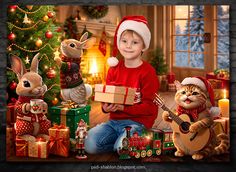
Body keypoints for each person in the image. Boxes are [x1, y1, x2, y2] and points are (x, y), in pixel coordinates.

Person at [85, 16, 159, 154]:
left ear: (143, 46)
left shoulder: (148, 72)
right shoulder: (113, 69)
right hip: (114, 123)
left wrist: (124, 108)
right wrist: (106, 108)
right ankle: (121, 143)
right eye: (124, 41)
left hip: (138, 123)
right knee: (89, 144)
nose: (128, 46)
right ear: (118, 43)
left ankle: (133, 141)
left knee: (122, 148)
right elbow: (107, 97)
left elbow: (150, 107)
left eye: (135, 42)